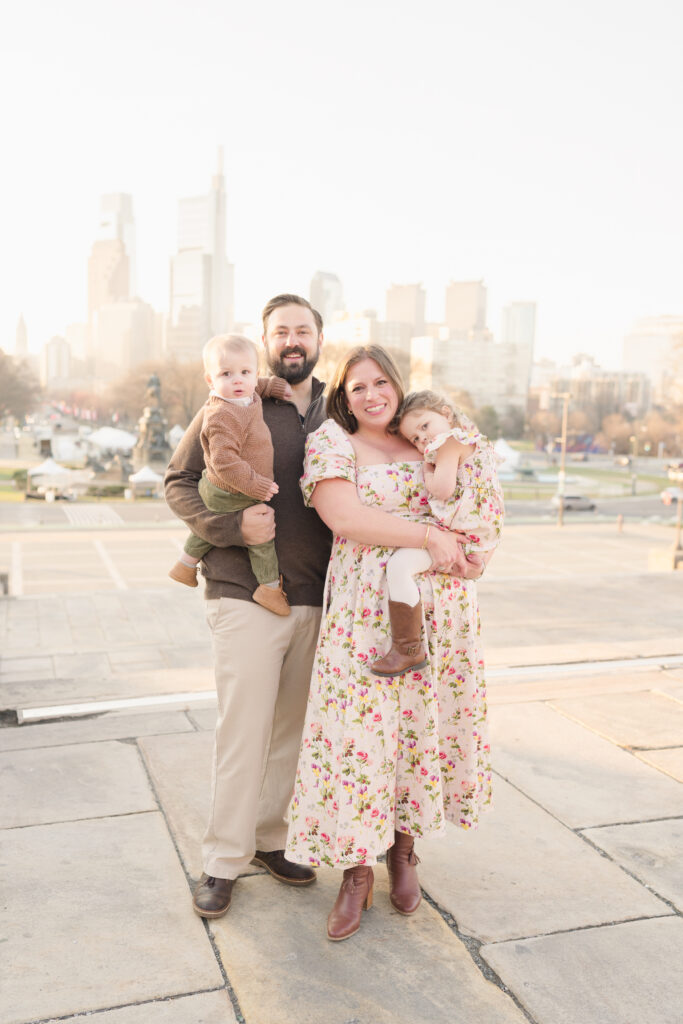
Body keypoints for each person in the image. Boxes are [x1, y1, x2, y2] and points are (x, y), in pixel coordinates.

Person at [284, 345, 498, 941]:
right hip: (364, 613)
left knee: (418, 730)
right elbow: (346, 518)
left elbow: (477, 501)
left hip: (441, 611)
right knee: (360, 736)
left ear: (399, 386)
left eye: (382, 383)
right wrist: (431, 535)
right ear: (343, 398)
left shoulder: (433, 438)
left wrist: (473, 547)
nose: (373, 395)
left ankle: (404, 853)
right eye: (359, 388)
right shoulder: (333, 442)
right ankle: (356, 873)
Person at [164, 294, 336, 918]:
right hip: (243, 591)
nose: (292, 340)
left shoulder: (335, 408)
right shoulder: (237, 398)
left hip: (317, 596)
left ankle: (268, 840)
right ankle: (222, 862)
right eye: (280, 331)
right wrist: (233, 532)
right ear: (267, 341)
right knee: (243, 731)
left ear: (320, 337)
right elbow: (179, 481)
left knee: (291, 731)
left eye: (303, 329)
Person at [371, 389, 504, 676]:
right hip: (481, 538)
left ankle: (408, 647)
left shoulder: (449, 444)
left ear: (445, 414)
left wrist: (428, 473)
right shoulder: (478, 443)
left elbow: (443, 489)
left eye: (425, 426)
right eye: (415, 439)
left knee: (400, 566)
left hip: (462, 536)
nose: (423, 440)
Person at [168, 332, 292, 616]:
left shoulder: (245, 394)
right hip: (232, 487)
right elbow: (224, 461)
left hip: (226, 487)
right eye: (226, 373)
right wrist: (257, 486)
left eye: (245, 372)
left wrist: (270, 386)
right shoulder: (222, 414)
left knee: (207, 531)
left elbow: (253, 386)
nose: (237, 380)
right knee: (262, 539)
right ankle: (269, 588)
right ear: (210, 380)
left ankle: (185, 565)